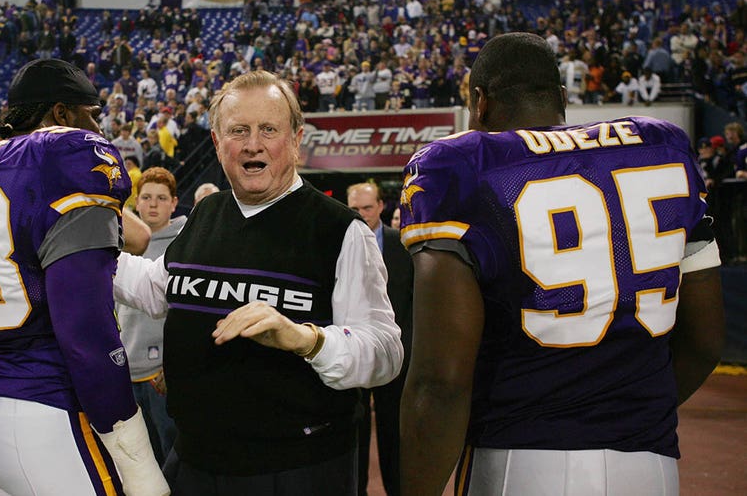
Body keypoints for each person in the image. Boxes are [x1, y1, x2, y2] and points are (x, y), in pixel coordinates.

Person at [400, 33, 725, 495]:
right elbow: (707, 340)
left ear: (479, 102)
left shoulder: (459, 165)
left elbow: (441, 382)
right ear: (563, 99)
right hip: (650, 467)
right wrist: (630, 415)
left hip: (518, 461)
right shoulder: (663, 146)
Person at [113, 70, 403, 495]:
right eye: (238, 130)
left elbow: (386, 350)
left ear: (296, 139)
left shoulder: (339, 230)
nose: (253, 144)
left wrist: (307, 339)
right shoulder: (207, 214)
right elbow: (158, 287)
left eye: (269, 129)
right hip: (196, 459)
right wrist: (80, 254)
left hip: (297, 468)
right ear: (216, 142)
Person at [0, 58, 167, 495]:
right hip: (42, 412)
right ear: (63, 114)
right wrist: (136, 455)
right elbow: (85, 333)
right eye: (92, 115)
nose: (98, 128)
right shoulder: (67, 156)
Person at [346, 182, 413, 496]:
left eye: (367, 208)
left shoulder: (402, 245)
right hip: (352, 352)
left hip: (396, 357)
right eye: (354, 209)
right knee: (352, 436)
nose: (360, 214)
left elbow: (414, 303)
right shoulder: (336, 244)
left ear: (381, 206)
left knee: (394, 435)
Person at [117, 167, 186, 466]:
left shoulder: (184, 243)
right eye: (146, 197)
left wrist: (173, 363)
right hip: (127, 371)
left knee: (171, 456)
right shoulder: (120, 242)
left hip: (162, 374)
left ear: (174, 203)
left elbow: (185, 314)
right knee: (138, 462)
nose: (153, 204)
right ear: (137, 203)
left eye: (161, 197)